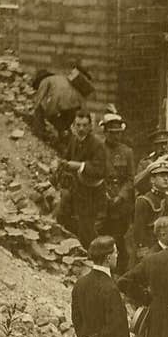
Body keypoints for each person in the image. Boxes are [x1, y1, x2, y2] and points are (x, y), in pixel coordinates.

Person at [54, 110, 108, 250]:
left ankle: (92, 261)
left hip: (92, 194)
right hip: (77, 190)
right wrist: (50, 180)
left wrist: (80, 165)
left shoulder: (97, 144)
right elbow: (65, 162)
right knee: (64, 218)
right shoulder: (74, 140)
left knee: (87, 230)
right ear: (74, 125)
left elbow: (101, 170)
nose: (81, 129)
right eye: (78, 125)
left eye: (84, 125)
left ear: (90, 127)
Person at [100, 112, 135, 275]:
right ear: (105, 132)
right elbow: (95, 174)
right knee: (100, 235)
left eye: (118, 133)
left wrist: (120, 196)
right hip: (101, 201)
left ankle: (119, 273)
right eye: (112, 133)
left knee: (119, 239)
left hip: (121, 205)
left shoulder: (127, 152)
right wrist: (104, 194)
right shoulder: (98, 149)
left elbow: (130, 179)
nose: (116, 136)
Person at [31, 66, 94, 147]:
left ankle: (40, 133)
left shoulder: (45, 80)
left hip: (61, 101)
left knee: (44, 112)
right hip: (75, 105)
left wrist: (36, 116)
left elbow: (38, 101)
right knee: (65, 126)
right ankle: (65, 145)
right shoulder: (61, 78)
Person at [133, 159, 168, 262]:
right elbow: (139, 231)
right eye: (161, 176)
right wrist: (143, 252)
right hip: (151, 247)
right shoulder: (144, 201)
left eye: (167, 176)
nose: (166, 179)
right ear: (152, 180)